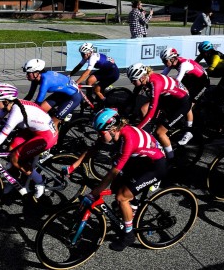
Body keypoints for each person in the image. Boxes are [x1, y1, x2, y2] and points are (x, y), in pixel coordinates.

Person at [67, 108, 167, 252]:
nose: (98, 135)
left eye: (100, 133)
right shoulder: (113, 133)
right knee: (116, 187)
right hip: (140, 161)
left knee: (121, 197)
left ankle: (128, 235)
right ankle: (133, 207)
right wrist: (72, 167)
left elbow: (114, 171)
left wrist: (95, 192)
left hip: (155, 166)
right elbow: (93, 148)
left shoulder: (128, 140)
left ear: (113, 129)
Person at [0, 83, 58, 199]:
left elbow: (1, 138)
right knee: (10, 149)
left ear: (5, 101)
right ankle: (15, 181)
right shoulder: (9, 105)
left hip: (47, 135)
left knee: (15, 158)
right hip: (33, 130)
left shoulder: (16, 112)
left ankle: (40, 181)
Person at [127, 62, 193, 152]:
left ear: (142, 77)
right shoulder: (145, 78)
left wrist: (138, 129)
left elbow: (152, 110)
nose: (132, 82)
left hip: (182, 102)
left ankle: (170, 159)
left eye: (134, 80)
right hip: (169, 98)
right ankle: (151, 135)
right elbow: (134, 96)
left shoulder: (155, 83)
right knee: (143, 109)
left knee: (160, 132)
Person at [23, 58, 81, 130]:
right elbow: (29, 96)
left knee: (53, 123)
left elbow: (38, 103)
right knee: (42, 110)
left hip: (73, 97)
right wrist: (18, 104)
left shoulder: (46, 80)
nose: (26, 76)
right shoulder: (36, 79)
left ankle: (55, 140)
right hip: (61, 94)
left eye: (28, 73)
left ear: (36, 73)